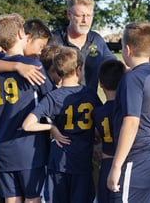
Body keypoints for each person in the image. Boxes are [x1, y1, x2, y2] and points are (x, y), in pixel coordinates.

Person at [0, 13, 53, 203]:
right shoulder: (34, 66)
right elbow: (53, 101)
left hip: (3, 148)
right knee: (33, 198)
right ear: (21, 33)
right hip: (30, 148)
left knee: (11, 199)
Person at [22, 46, 103, 203]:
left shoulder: (53, 97)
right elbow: (100, 120)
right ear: (78, 70)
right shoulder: (90, 94)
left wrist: (51, 127)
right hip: (82, 161)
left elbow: (27, 125)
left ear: (58, 72)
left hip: (59, 161)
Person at [107, 22, 150, 202]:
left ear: (127, 49)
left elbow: (132, 121)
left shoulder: (132, 78)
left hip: (140, 156)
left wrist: (116, 165)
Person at [50, 0, 116, 92]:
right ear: (69, 15)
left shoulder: (97, 40)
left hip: (89, 106)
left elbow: (113, 66)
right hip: (59, 105)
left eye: (89, 15)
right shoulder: (54, 39)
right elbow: (34, 65)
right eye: (80, 15)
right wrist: (17, 66)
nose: (85, 20)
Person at [92, 59, 126, 203]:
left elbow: (97, 135)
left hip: (107, 162)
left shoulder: (98, 112)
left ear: (100, 83)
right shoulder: (127, 110)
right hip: (125, 161)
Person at [0, 18, 52, 86]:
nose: (40, 52)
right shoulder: (34, 64)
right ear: (27, 38)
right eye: (41, 46)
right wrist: (18, 66)